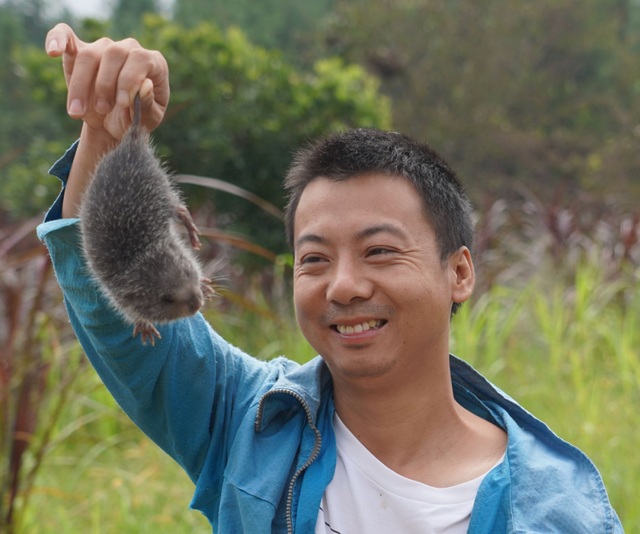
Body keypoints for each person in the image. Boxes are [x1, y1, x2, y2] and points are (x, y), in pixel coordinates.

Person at [38, 24, 623, 534]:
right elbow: (111, 293)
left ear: (459, 272)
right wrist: (106, 133)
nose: (343, 286)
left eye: (380, 251)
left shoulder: (562, 512)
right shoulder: (248, 423)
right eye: (314, 260)